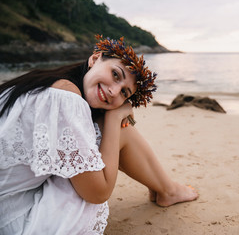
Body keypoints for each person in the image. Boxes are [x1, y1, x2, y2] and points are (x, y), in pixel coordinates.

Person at [0, 35, 198, 234]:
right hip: (11, 215)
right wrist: (115, 117)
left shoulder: (50, 83)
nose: (114, 91)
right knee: (114, 132)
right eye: (115, 74)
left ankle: (166, 189)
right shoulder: (66, 95)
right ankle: (168, 190)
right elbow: (97, 192)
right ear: (95, 59)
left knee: (100, 133)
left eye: (124, 93)